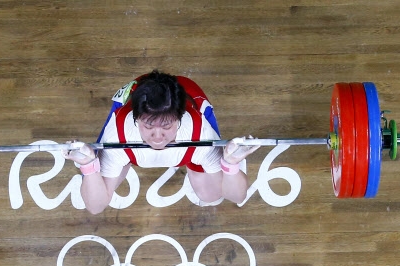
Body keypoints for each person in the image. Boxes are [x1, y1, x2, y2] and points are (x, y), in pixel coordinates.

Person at [63, 70, 259, 214]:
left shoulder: (201, 136)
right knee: (103, 171)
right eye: (148, 127)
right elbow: (95, 207)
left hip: (190, 96)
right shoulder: (117, 136)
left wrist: (230, 164)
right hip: (130, 125)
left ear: (179, 118)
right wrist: (89, 166)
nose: (157, 137)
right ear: (136, 119)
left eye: (166, 127)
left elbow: (238, 196)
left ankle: (195, 163)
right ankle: (113, 162)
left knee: (210, 195)